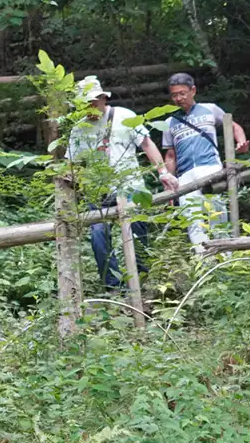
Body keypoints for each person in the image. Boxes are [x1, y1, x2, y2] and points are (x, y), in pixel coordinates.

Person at [67, 76, 178, 290]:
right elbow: (73, 164)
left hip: (130, 186)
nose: (91, 107)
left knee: (137, 231)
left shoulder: (124, 117)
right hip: (98, 191)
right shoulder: (78, 130)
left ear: (102, 99)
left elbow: (146, 144)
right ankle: (113, 287)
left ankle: (140, 280)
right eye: (85, 104)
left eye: (93, 102)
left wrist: (163, 172)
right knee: (99, 236)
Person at [162, 73, 248, 249]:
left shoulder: (210, 109)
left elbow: (232, 125)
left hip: (210, 168)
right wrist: (168, 183)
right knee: (192, 219)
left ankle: (226, 256)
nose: (179, 98)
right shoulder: (169, 122)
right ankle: (203, 259)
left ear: (193, 90)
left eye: (182, 93)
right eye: (174, 95)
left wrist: (241, 141)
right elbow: (170, 155)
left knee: (217, 213)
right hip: (185, 176)